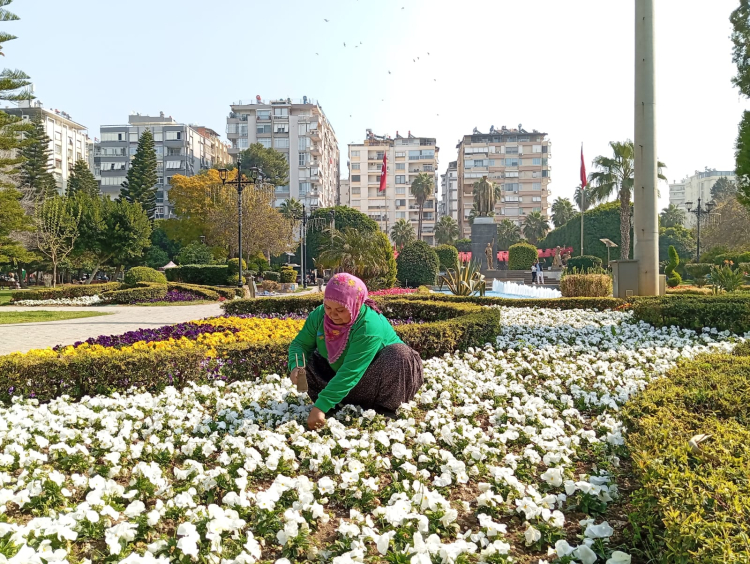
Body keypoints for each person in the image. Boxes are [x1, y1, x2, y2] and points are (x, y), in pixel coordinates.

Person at [288, 272, 424, 430]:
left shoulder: (368, 325)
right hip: (349, 385)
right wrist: (296, 366)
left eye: (340, 310)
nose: (332, 314)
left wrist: (320, 407)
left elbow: (351, 371)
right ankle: (337, 405)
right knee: (310, 357)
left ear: (356, 304)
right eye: (328, 307)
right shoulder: (320, 315)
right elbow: (300, 344)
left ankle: (387, 409)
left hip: (377, 383)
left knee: (399, 354)